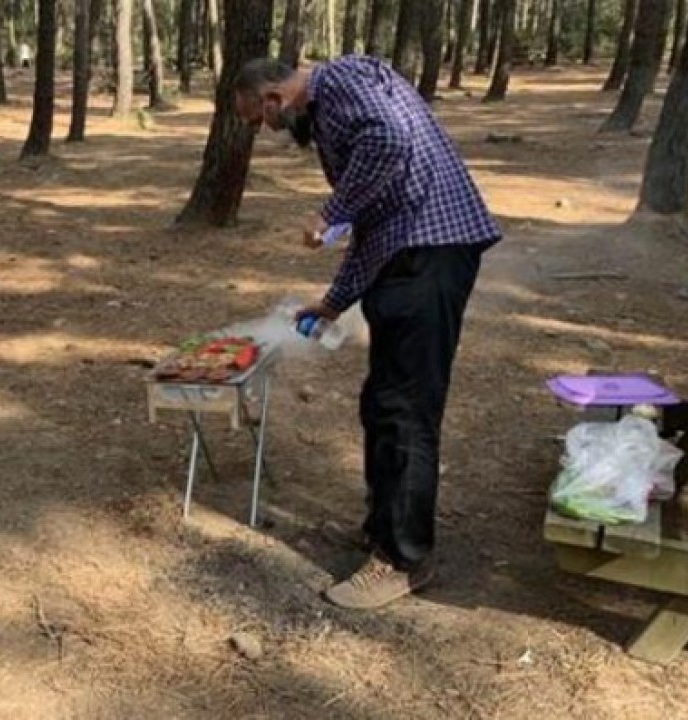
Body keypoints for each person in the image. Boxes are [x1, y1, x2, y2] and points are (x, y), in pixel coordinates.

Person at [234, 55, 502, 610]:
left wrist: (328, 211)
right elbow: (371, 227)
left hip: (428, 258)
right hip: (406, 256)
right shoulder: (339, 109)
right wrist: (333, 303)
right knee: (382, 403)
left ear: (272, 100)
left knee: (405, 408)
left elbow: (390, 141)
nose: (266, 132)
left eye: (257, 121)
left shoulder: (341, 83)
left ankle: (402, 560)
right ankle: (384, 528)